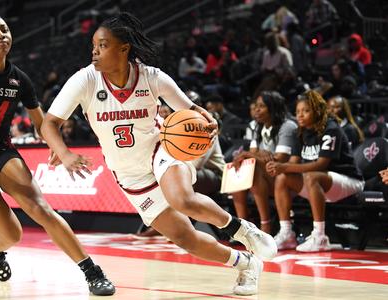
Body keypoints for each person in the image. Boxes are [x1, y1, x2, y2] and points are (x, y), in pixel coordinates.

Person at [41, 12, 277, 296]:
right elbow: (49, 124)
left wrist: (208, 121)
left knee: (183, 199)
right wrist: (63, 153)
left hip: (160, 150)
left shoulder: (151, 77)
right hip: (128, 173)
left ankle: (242, 230)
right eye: (93, 45)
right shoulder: (85, 80)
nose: (94, 51)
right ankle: (246, 263)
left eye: (102, 45)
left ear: (123, 48)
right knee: (185, 238)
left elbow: (193, 111)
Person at [0, 7, 115, 296]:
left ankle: (92, 271)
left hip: (0, 148)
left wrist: (57, 147)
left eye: (4, 29)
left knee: (39, 207)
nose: (0, 34)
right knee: (12, 233)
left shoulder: (20, 79)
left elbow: (43, 124)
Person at [266, 90, 364, 252]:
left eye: (306, 111)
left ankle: (320, 236)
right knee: (283, 178)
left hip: (348, 181)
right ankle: (287, 233)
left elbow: (321, 165)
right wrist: (277, 167)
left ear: (317, 111)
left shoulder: (331, 128)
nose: (300, 115)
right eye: (297, 112)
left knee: (311, 176)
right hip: (319, 183)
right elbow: (294, 163)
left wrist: (284, 167)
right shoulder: (301, 132)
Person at [231, 91, 297, 233]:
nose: (256, 110)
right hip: (267, 177)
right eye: (256, 106)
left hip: (288, 179)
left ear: (273, 108)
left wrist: (252, 155)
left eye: (262, 106)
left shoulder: (288, 126)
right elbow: (252, 155)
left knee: (253, 169)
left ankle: (265, 225)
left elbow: (280, 160)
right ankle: (242, 228)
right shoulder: (258, 127)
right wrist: (258, 154)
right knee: (240, 169)